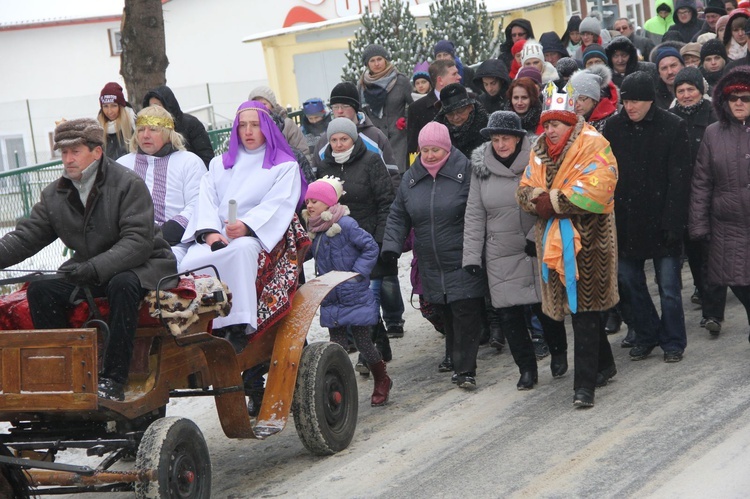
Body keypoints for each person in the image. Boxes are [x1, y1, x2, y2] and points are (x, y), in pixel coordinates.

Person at [0, 118, 177, 401]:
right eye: (63, 153)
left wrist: (95, 267)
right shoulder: (54, 194)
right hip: (90, 268)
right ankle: (65, 374)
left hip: (143, 265)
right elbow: (25, 237)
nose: (67, 159)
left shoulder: (127, 183)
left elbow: (138, 242)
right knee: (42, 289)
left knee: (122, 284)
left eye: (75, 152)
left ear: (96, 152)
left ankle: (114, 379)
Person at [516, 84, 619, 407]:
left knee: (586, 312)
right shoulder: (538, 150)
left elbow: (601, 187)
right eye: (546, 124)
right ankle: (605, 364)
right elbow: (524, 189)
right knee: (578, 311)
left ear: (570, 123)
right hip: (554, 244)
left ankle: (583, 387)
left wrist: (554, 201)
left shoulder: (594, 143)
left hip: (590, 243)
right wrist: (538, 200)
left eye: (556, 124)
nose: (550, 130)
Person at [178, 101, 302, 346]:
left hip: (254, 236)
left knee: (241, 252)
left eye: (255, 125)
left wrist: (246, 226)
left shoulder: (284, 166)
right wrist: (211, 234)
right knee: (189, 261)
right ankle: (201, 323)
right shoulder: (219, 165)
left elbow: (279, 203)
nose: (248, 131)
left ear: (267, 127)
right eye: (242, 125)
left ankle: (237, 325)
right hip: (216, 235)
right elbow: (206, 200)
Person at [463, 111, 569, 390]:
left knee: (545, 308)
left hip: (534, 247)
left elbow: (550, 200)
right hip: (500, 252)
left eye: (505, 138)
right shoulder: (481, 168)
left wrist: (539, 238)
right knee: (510, 316)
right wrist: (472, 257)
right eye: (495, 139)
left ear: (518, 138)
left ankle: (559, 353)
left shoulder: (538, 160)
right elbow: (474, 214)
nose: (500, 144)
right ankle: (526, 369)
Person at [383, 122, 487, 390]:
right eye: (424, 150)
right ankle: (454, 355)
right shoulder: (412, 178)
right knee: (446, 310)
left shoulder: (465, 171)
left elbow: (480, 210)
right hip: (431, 260)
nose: (429, 155)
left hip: (463, 255)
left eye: (435, 150)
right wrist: (391, 247)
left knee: (465, 310)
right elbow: (398, 214)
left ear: (447, 149)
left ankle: (466, 369)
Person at [602, 71, 692, 363]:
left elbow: (680, 181)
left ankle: (674, 341)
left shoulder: (673, 127)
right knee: (628, 281)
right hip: (627, 220)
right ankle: (647, 332)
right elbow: (606, 174)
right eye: (627, 101)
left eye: (637, 101)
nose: (631, 107)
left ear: (651, 101)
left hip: (663, 219)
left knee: (668, 287)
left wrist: (674, 224)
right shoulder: (613, 128)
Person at [303, 176, 392, 406]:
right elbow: (310, 253)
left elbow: (370, 247)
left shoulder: (346, 225)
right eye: (308, 201)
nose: (309, 205)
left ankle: (382, 379)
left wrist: (357, 274)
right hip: (331, 296)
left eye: (315, 201)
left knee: (363, 343)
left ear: (328, 204)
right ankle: (342, 391)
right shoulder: (315, 229)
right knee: (338, 347)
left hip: (353, 293)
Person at [316, 118, 397, 365]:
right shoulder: (323, 165)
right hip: (337, 244)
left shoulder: (371, 161)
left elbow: (386, 200)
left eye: (344, 139)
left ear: (354, 139)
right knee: (354, 299)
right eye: (334, 140)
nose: (339, 145)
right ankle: (379, 343)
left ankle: (368, 353)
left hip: (367, 240)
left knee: (367, 294)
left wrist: (380, 238)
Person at [689, 66, 750, 339]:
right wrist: (699, 225)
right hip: (728, 225)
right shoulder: (713, 134)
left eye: (745, 97)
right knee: (741, 285)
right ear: (723, 101)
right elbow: (702, 182)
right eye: (733, 97)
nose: (739, 102)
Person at [116, 105, 205, 264]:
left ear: (168, 133)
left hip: (177, 244)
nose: (146, 135)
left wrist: (163, 234)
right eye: (141, 129)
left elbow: (198, 204)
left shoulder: (189, 162)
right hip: (127, 243)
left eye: (153, 129)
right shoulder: (122, 165)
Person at [669, 67, 718, 322]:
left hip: (716, 193)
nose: (686, 95)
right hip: (685, 197)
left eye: (691, 89)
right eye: (681, 91)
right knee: (696, 252)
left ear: (701, 90)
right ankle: (708, 301)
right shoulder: (670, 118)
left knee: (715, 253)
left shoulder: (715, 114)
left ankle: (713, 310)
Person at [358, 44, 413, 172]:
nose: (377, 64)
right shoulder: (362, 86)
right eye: (372, 60)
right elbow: (360, 113)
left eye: (379, 59)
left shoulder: (400, 81)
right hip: (374, 142)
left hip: (399, 140)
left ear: (386, 60)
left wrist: (406, 120)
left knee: (400, 177)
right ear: (367, 64)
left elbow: (415, 106)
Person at [142, 85, 214, 168]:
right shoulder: (148, 132)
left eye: (157, 106)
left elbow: (206, 157)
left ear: (168, 105)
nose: (154, 111)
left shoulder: (191, 124)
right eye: (150, 107)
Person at [406, 59, 462, 160]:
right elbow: (413, 148)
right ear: (440, 80)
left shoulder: (471, 100)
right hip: (432, 169)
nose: (459, 77)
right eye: (454, 74)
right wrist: (413, 174)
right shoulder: (417, 108)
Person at [248, 85, 310, 160]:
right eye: (256, 104)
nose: (260, 107)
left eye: (264, 104)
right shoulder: (248, 129)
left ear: (272, 105)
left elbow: (302, 151)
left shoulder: (287, 124)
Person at [434, 83, 489, 157]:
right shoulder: (436, 133)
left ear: (470, 107)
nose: (456, 117)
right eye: (450, 113)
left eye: (460, 111)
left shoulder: (487, 129)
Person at [570, 65, 619, 132]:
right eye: (572, 98)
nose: (576, 105)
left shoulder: (611, 122)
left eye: (581, 98)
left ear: (594, 100)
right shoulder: (569, 119)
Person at [96, 82, 135, 161]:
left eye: (114, 106)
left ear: (120, 106)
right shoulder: (97, 129)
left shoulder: (133, 125)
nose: (109, 111)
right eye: (105, 106)